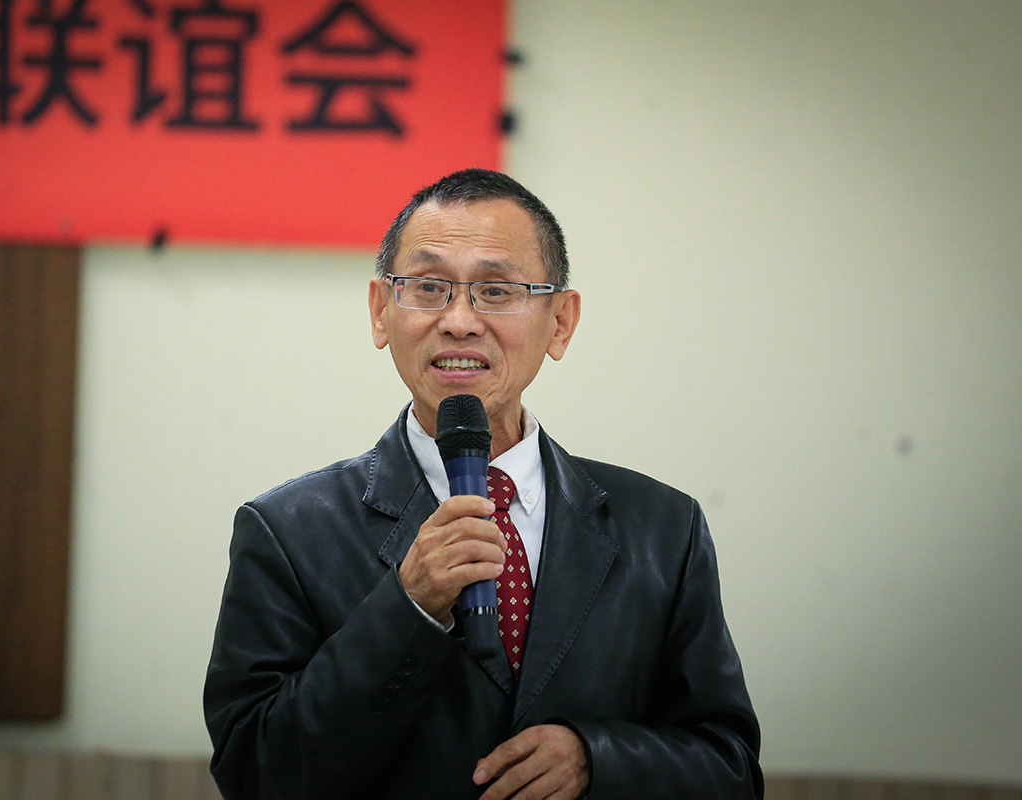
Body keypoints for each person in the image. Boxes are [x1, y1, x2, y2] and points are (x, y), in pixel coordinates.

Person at [204, 169, 762, 799]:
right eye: (428, 287)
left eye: (496, 291)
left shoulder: (664, 529)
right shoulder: (286, 532)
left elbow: (732, 769)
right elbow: (254, 773)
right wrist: (408, 607)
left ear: (561, 322)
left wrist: (598, 760)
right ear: (381, 311)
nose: (460, 321)